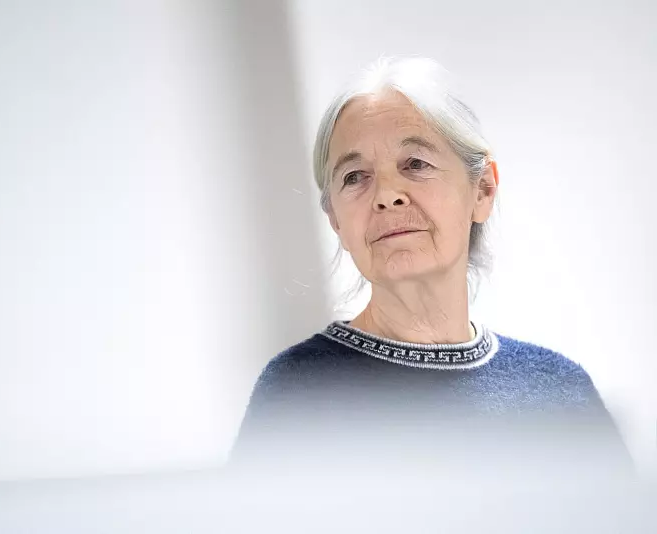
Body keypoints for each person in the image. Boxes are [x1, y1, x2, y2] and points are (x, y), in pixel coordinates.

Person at [230, 57, 631, 479]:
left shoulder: (560, 391)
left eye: (416, 164)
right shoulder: (297, 394)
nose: (386, 195)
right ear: (336, 221)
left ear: (483, 190)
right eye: (355, 177)